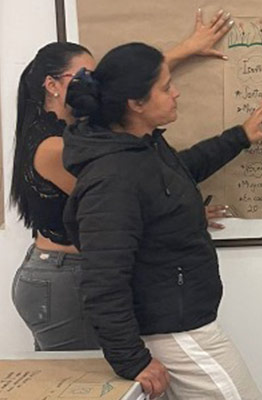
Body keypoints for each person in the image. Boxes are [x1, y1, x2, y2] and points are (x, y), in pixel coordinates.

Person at [10, 9, 234, 351]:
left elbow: (135, 84)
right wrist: (181, 216)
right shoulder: (55, 145)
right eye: (84, 76)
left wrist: (186, 48)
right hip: (64, 276)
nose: (95, 84)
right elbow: (118, 204)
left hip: (62, 273)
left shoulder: (73, 130)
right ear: (52, 85)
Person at [62, 41, 262, 399]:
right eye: (165, 87)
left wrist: (239, 138)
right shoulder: (112, 176)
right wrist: (133, 361)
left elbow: (180, 171)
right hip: (173, 333)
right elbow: (103, 281)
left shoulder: (141, 146)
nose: (176, 93)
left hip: (184, 322)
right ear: (136, 104)